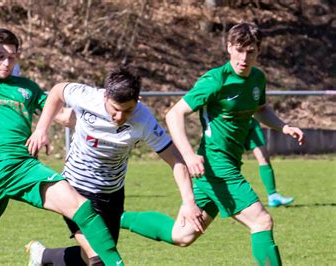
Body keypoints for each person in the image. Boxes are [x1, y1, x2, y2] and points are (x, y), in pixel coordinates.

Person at [0, 1, 124, 265]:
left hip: (22, 166)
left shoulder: (27, 88)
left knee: (80, 205)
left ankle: (108, 262)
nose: (6, 62)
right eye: (0, 55)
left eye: (12, 57)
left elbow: (64, 116)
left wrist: (107, 117)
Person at [119, 22, 305, 265]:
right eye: (239, 50)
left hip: (223, 167)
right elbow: (173, 115)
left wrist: (283, 126)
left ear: (259, 51)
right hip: (217, 167)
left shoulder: (258, 78)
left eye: (251, 51)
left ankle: (115, 217)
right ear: (229, 48)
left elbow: (260, 109)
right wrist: (188, 155)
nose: (244, 58)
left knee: (182, 235)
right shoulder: (215, 80)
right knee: (261, 221)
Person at [24, 67, 205, 265]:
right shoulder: (87, 97)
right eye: (114, 109)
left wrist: (188, 201)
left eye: (127, 110)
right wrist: (41, 129)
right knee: (102, 259)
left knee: (89, 258)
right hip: (75, 189)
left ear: (138, 100)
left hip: (111, 194)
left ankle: (43, 256)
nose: (119, 117)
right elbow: (58, 91)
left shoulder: (143, 119)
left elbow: (175, 160)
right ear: (105, 96)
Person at [246, 118, 294, 207]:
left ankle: (273, 196)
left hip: (251, 121)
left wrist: (285, 127)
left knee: (264, 157)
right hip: (230, 123)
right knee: (227, 160)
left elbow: (262, 109)